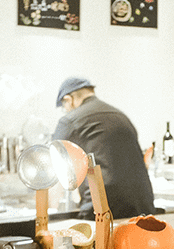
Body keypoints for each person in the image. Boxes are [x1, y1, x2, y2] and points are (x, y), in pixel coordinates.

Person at [52, 77, 156, 220]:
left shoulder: (70, 120)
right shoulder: (120, 115)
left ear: (68, 100)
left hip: (104, 207)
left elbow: (54, 165)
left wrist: (49, 210)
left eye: (65, 107)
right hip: (142, 204)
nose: (66, 111)